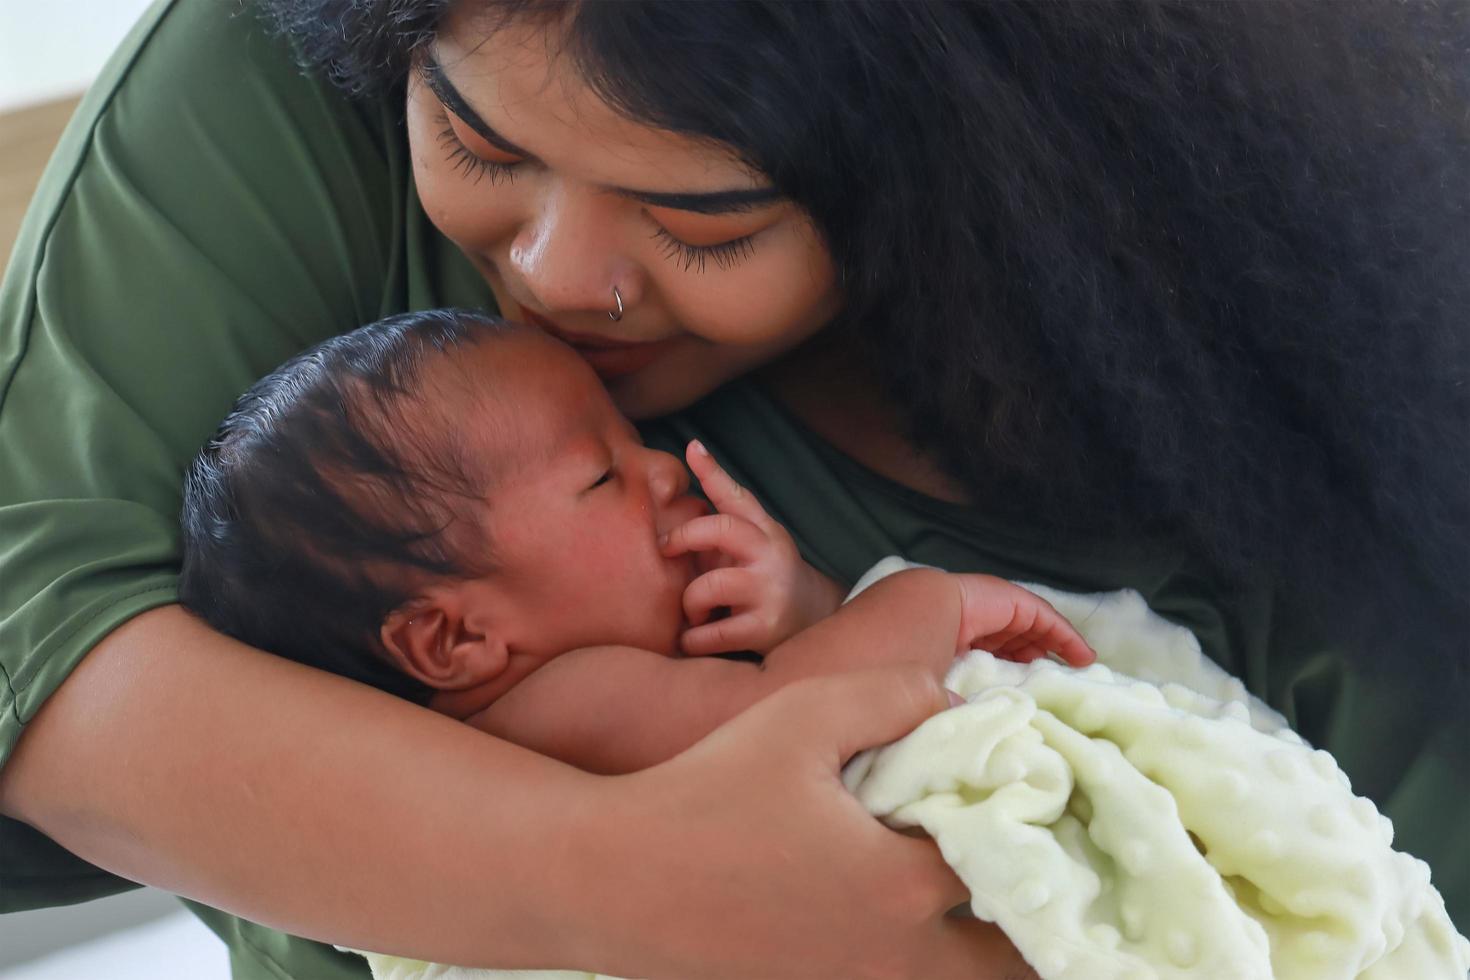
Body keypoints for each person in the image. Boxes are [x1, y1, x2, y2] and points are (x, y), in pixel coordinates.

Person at [0, 2, 1464, 979]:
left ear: (975, 188)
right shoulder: (299, 78)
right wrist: (625, 874)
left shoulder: (1303, 399)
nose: (556, 276)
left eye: (704, 214)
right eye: (477, 140)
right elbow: (30, 620)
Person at [177, 309, 1095, 775]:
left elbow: (795, 685)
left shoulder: (587, 687)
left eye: (631, 436)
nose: (662, 468)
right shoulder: (553, 708)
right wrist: (932, 601)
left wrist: (805, 607)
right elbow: (790, 716)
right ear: (453, 641)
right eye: (599, 474)